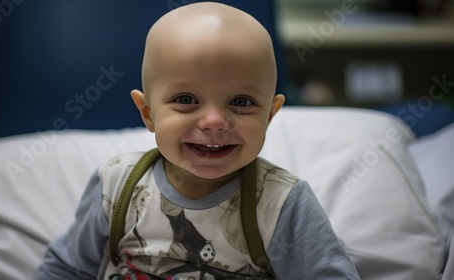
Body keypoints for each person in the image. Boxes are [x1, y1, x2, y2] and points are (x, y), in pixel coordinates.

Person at [34, 2, 360, 279]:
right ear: (148, 113)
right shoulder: (116, 186)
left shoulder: (282, 204)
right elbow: (67, 269)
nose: (215, 121)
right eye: (187, 99)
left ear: (270, 115)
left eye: (241, 102)